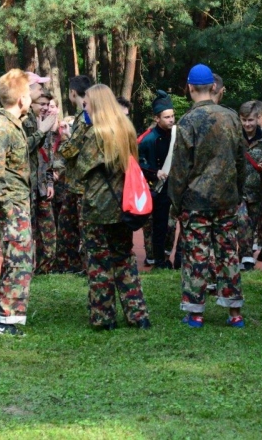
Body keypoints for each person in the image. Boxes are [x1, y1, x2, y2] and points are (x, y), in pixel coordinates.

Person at [60, 84, 151, 330]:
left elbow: (81, 169)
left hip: (97, 205)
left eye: (87, 103)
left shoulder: (95, 133)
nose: (84, 107)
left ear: (97, 104)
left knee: (99, 261)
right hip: (123, 204)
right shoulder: (126, 128)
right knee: (124, 259)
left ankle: (103, 317)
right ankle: (137, 315)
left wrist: (73, 137)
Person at [169, 64, 246, 329]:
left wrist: (176, 202)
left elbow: (179, 169)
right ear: (214, 87)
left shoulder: (187, 121)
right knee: (228, 253)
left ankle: (195, 313)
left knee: (196, 255)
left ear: (190, 88)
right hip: (226, 199)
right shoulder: (231, 117)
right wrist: (237, 192)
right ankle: (235, 312)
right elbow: (241, 161)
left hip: (196, 200)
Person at [0, 69, 36, 336]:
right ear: (22, 99)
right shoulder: (2, 128)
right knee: (18, 260)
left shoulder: (13, 125)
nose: (31, 100)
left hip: (15, 203)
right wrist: (8, 207)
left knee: (20, 259)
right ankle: (4, 321)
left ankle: (7, 317)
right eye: (29, 95)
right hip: (10, 206)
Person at [56, 75, 94, 272]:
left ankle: (87, 266)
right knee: (66, 226)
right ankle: (69, 265)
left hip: (82, 184)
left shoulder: (85, 116)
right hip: (75, 183)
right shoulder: (84, 115)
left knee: (83, 228)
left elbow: (72, 149)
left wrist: (63, 141)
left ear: (72, 93)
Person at [138, 90, 177, 270]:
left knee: (173, 225)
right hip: (156, 188)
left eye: (172, 116)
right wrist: (155, 172)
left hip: (175, 187)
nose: (171, 120)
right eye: (167, 117)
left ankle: (176, 258)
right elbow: (138, 163)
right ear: (156, 118)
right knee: (158, 225)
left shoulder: (177, 135)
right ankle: (158, 260)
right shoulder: (147, 139)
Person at [238, 100, 262, 271]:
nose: (247, 124)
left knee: (253, 223)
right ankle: (244, 256)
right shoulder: (236, 139)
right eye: (244, 120)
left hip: (257, 191)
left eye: (250, 120)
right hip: (238, 191)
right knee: (242, 221)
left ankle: (250, 256)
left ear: (257, 118)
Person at [31, 90, 60, 273]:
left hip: (43, 187)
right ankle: (28, 269)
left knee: (48, 231)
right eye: (41, 104)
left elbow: (48, 158)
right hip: (28, 188)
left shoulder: (47, 125)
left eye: (47, 104)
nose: (45, 108)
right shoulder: (26, 124)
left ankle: (45, 269)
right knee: (30, 233)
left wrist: (49, 183)